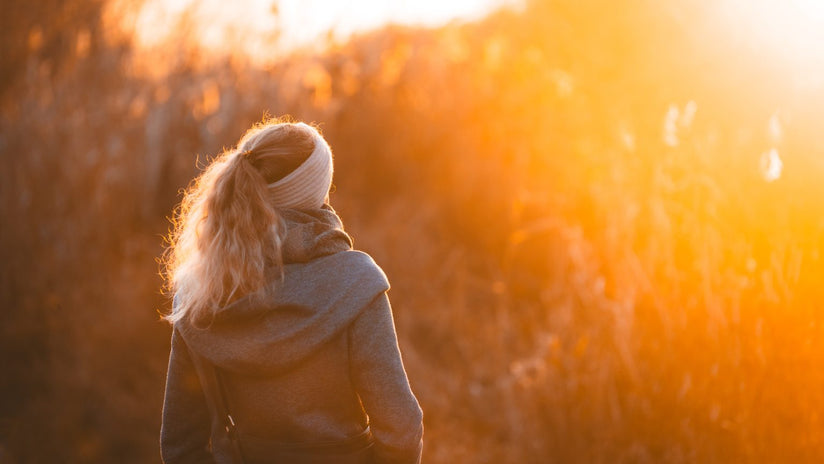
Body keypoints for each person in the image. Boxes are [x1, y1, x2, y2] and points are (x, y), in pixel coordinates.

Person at [159, 119, 424, 464]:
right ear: (317, 192)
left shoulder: (200, 294)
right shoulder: (356, 283)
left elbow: (180, 445)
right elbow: (401, 429)